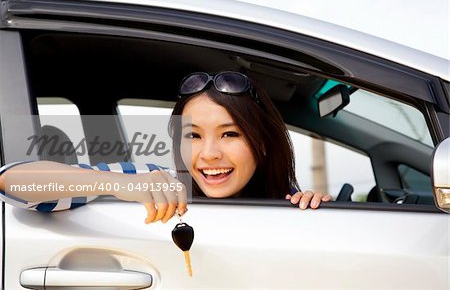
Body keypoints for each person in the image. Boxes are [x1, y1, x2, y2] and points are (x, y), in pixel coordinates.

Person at [0, 71, 332, 223]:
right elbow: (12, 181)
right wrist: (119, 184)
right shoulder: (156, 182)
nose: (209, 153)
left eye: (230, 134)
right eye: (193, 135)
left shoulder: (287, 205)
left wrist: (319, 210)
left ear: (261, 143)